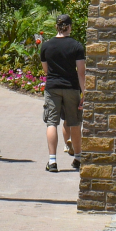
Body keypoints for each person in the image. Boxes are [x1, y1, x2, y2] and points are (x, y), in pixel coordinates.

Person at [38, 15, 85, 172]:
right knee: (75, 123)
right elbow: (81, 72)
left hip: (52, 87)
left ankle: (52, 161)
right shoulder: (76, 46)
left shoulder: (46, 46)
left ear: (56, 27)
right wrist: (84, 93)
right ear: (69, 27)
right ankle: (78, 158)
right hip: (71, 87)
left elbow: (46, 70)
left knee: (52, 122)